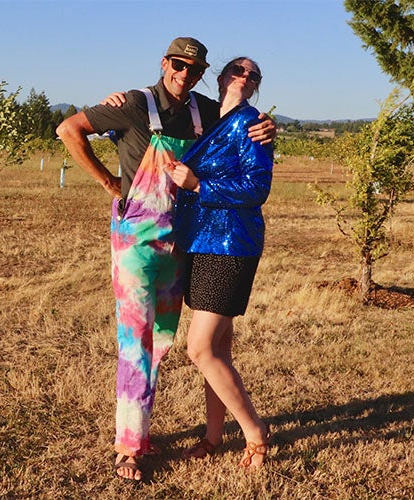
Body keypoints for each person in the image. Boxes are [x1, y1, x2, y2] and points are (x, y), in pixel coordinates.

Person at [55, 37, 275, 482]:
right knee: (135, 342)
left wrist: (270, 128)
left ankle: (213, 435)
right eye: (178, 65)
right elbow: (68, 130)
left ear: (203, 75)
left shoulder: (205, 111)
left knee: (171, 342)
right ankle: (130, 447)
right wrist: (107, 181)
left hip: (185, 244)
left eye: (194, 70)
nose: (184, 74)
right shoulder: (134, 102)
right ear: (164, 62)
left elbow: (241, 127)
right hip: (137, 242)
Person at [168, 57, 273, 468]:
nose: (245, 77)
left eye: (254, 75)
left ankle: (255, 433)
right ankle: (213, 435)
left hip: (231, 244)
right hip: (199, 239)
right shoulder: (205, 117)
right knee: (218, 351)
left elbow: (256, 187)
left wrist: (198, 184)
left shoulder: (253, 124)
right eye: (238, 70)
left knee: (198, 348)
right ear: (222, 76)